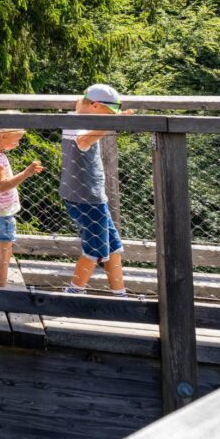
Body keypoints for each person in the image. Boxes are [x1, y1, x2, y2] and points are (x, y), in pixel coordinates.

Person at [61, 83, 135, 295]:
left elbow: (80, 106)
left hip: (90, 196)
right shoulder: (80, 125)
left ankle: (120, 294)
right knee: (95, 251)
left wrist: (109, 120)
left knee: (113, 247)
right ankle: (73, 293)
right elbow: (83, 140)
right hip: (87, 198)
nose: (110, 117)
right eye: (109, 113)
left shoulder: (75, 117)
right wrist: (113, 124)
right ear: (95, 106)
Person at [0, 124, 44, 288]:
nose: (18, 144)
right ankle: (0, 291)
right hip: (1, 213)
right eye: (16, 140)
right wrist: (26, 173)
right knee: (4, 254)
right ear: (3, 136)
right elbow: (2, 185)